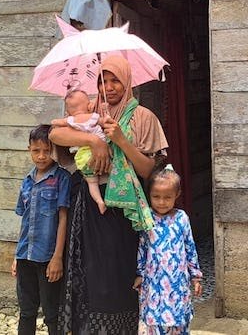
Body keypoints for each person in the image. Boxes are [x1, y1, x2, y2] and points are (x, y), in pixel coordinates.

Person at [50, 55, 169, 334]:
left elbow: (149, 170)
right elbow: (55, 134)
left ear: (127, 81)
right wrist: (93, 140)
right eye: (104, 80)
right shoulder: (93, 109)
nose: (110, 86)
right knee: (90, 272)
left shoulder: (143, 117)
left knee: (118, 274)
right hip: (90, 207)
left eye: (116, 79)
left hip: (123, 209)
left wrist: (120, 140)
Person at [12, 125, 71, 335]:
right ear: (29, 149)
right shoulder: (26, 181)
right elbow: (25, 221)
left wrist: (57, 257)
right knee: (26, 311)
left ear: (54, 150)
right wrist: (16, 256)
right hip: (25, 256)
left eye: (47, 150)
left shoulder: (62, 178)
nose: (42, 156)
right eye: (36, 151)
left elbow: (63, 218)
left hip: (48, 258)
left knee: (51, 312)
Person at [134, 165, 203, 335]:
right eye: (156, 196)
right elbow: (142, 247)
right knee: (154, 322)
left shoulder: (181, 218)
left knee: (179, 323)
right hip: (154, 283)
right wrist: (140, 274)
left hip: (177, 283)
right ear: (149, 195)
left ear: (177, 195)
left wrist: (196, 277)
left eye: (167, 197)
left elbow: (190, 248)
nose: (161, 202)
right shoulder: (147, 218)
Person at [51, 89, 109, 214]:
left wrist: (62, 120)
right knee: (110, 164)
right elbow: (105, 121)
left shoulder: (71, 121)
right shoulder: (92, 117)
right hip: (103, 155)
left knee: (92, 182)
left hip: (83, 157)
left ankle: (99, 201)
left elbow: (55, 124)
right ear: (89, 105)